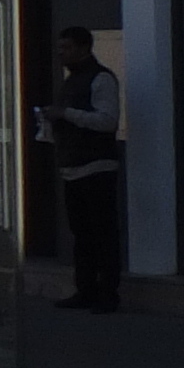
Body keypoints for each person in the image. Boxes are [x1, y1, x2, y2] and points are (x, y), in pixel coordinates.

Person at [44, 28, 121, 311]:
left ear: (83, 47)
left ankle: (108, 293)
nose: (61, 53)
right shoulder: (72, 81)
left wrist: (66, 114)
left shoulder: (100, 78)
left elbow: (107, 121)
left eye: (66, 47)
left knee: (102, 233)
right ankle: (86, 289)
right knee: (82, 234)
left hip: (96, 166)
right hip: (73, 166)